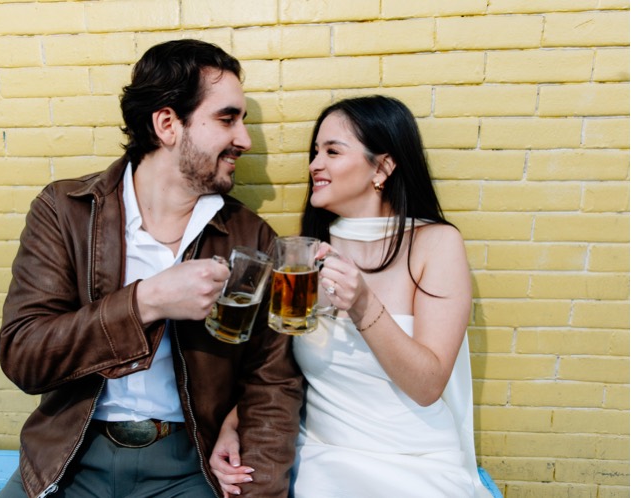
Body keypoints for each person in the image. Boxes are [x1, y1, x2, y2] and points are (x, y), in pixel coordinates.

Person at [0, 39, 302, 497]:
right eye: (227, 119)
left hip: (189, 463)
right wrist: (147, 300)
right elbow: (24, 357)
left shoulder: (250, 236)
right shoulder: (66, 211)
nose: (244, 140)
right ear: (166, 124)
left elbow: (272, 381)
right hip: (71, 454)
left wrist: (258, 489)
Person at [208, 95, 490, 497]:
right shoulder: (305, 256)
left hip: (416, 462)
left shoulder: (435, 244)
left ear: (383, 167)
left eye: (332, 151)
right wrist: (235, 424)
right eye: (315, 151)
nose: (314, 165)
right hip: (323, 460)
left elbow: (428, 386)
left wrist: (363, 305)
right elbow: (281, 369)